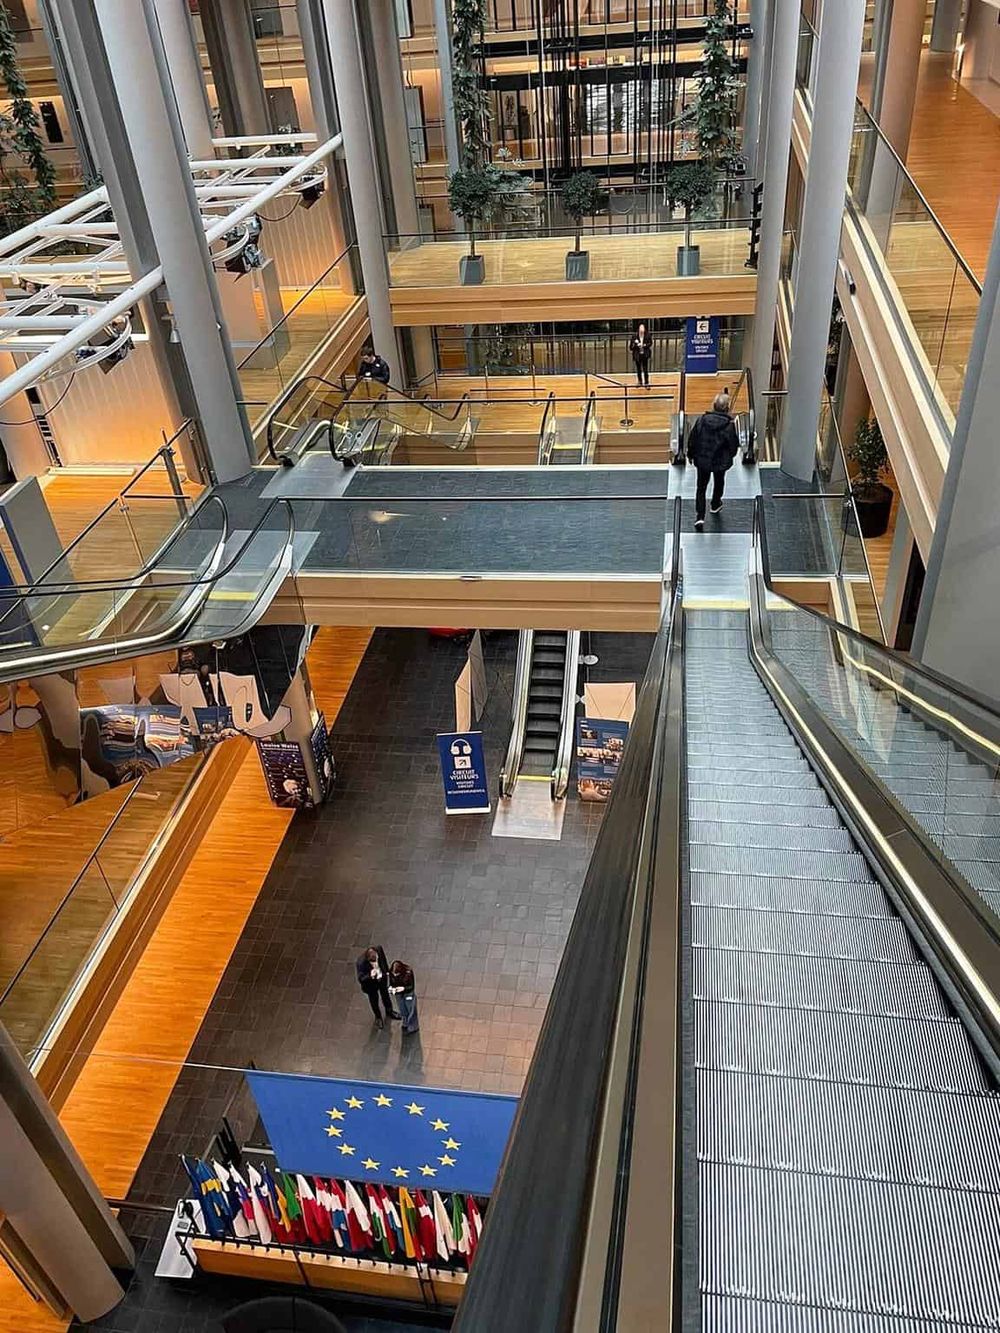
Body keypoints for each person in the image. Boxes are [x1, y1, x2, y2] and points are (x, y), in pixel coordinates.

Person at [686, 390, 740, 530]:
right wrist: (730, 456)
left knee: (701, 487)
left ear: (713, 405)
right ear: (727, 408)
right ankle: (715, 504)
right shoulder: (729, 425)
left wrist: (691, 454)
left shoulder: (702, 421)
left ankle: (700, 516)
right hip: (720, 461)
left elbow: (693, 439)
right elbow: (733, 445)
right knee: (719, 481)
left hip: (703, 459)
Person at [356, 946, 400, 1029]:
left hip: (382, 979)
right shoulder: (361, 963)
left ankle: (389, 1011)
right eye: (373, 960)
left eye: (376, 957)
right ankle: (378, 1017)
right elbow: (361, 978)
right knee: (374, 1000)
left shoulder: (379, 949)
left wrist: (386, 972)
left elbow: (383, 960)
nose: (376, 959)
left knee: (385, 995)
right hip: (371, 985)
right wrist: (370, 976)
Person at [389, 959, 419, 1035]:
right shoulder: (392, 973)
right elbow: (391, 983)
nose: (395, 975)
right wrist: (391, 988)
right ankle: (405, 1021)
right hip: (398, 993)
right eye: (394, 974)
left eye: (397, 974)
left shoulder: (408, 973)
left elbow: (411, 987)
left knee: (410, 1009)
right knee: (402, 1008)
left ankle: (413, 1026)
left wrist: (403, 988)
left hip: (408, 993)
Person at [628, 323, 653, 388]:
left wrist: (644, 345)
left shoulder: (648, 335)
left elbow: (650, 343)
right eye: (640, 330)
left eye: (643, 329)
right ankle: (639, 381)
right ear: (638, 330)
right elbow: (631, 347)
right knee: (638, 369)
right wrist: (636, 345)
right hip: (637, 355)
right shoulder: (634, 336)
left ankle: (646, 383)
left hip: (645, 355)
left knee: (645, 369)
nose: (642, 331)